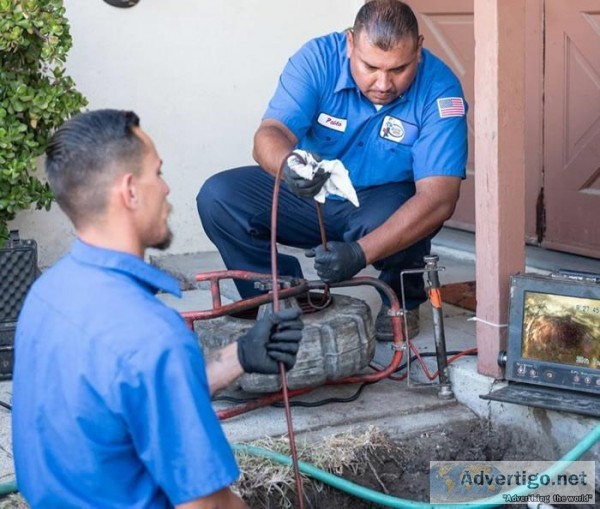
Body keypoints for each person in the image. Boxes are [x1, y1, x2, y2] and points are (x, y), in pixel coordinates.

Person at [12, 109, 304, 509]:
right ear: (130, 191)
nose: (166, 189)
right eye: (158, 173)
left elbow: (131, 396)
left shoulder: (46, 295)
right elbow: (206, 505)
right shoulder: (151, 335)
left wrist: (241, 355)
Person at [197, 0, 467, 341]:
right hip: (311, 189)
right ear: (350, 43)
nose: (383, 83)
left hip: (379, 202)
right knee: (218, 196)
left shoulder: (440, 88)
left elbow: (439, 198)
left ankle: (401, 299)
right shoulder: (317, 59)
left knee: (417, 209)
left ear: (419, 50)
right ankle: (278, 294)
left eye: (398, 69)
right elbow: (269, 135)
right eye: (370, 67)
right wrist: (291, 165)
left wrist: (360, 253)